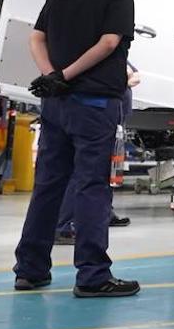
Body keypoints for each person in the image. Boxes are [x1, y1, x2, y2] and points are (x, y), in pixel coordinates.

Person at [12, 0, 139, 298]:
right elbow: (109, 42)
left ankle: (30, 270)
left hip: (57, 104)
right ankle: (93, 275)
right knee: (90, 188)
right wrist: (65, 75)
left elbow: (36, 37)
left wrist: (52, 77)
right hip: (94, 103)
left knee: (48, 187)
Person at [54, 68, 140, 245]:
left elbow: (134, 75)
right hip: (97, 116)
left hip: (112, 117)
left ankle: (104, 213)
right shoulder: (102, 47)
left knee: (105, 172)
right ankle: (64, 226)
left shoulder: (119, 52)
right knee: (84, 173)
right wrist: (122, 79)